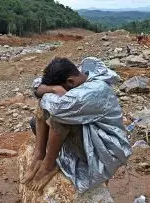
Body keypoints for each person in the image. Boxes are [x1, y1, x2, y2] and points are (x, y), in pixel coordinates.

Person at [23, 57, 131, 192]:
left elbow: (56, 107)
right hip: (88, 133)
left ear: (70, 82)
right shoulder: (78, 76)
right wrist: (55, 89)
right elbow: (37, 86)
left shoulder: (95, 90)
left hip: (104, 148)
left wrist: (47, 92)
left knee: (59, 116)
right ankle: (39, 155)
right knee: (39, 115)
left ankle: (49, 165)